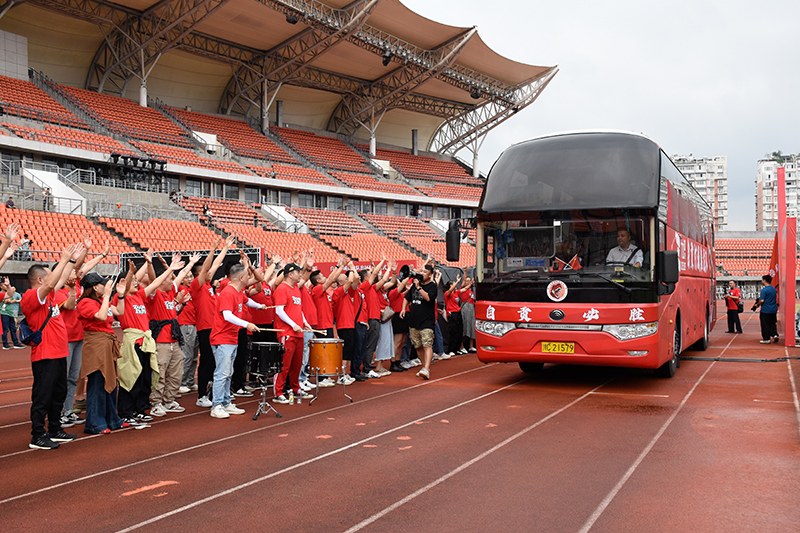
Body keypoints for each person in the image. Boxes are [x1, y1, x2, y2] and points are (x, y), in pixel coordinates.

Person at [22, 243, 83, 449]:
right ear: (40, 280)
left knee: (59, 393)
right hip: (44, 354)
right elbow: (50, 284)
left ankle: (55, 429)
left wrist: (72, 261)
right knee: (42, 395)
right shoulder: (32, 296)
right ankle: (37, 435)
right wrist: (64, 259)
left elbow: (60, 279)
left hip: (58, 352)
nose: (54, 280)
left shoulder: (48, 296)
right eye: (48, 276)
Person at [55, 236, 107, 428]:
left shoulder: (78, 286)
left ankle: (67, 411)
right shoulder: (60, 291)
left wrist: (95, 253)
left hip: (79, 338)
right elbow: (69, 306)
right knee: (62, 377)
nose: (75, 273)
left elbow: (81, 265)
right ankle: (58, 412)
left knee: (73, 377)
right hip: (65, 340)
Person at [77, 270, 131, 434]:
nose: (106, 286)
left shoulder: (101, 300)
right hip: (96, 344)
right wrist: (108, 296)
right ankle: (95, 423)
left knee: (110, 382)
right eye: (102, 284)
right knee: (98, 382)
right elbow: (100, 317)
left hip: (106, 342)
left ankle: (112, 419)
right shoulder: (85, 302)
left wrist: (120, 296)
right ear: (94, 287)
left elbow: (119, 312)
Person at [209, 262, 264, 418]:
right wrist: (247, 324)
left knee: (228, 372)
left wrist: (260, 306)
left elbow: (247, 301)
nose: (250, 278)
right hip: (223, 337)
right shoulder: (228, 293)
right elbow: (227, 315)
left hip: (231, 337)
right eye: (247, 276)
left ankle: (225, 402)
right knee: (222, 373)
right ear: (241, 277)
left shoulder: (239, 292)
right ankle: (217, 405)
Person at [144, 253, 196, 417]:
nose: (172, 282)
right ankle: (156, 402)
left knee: (175, 372)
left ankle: (169, 399)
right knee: (160, 372)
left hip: (174, 339)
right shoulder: (155, 294)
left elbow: (180, 276)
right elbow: (155, 280)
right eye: (168, 279)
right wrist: (158, 266)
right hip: (161, 341)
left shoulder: (170, 294)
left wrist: (191, 264)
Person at [191, 236, 233, 408]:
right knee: (207, 361)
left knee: (217, 362)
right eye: (206, 272)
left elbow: (214, 265)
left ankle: (213, 392)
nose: (211, 272)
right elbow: (209, 266)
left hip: (215, 328)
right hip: (205, 328)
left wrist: (225, 248)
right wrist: (213, 250)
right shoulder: (197, 286)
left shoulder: (209, 286)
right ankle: (202, 395)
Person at [272, 263, 313, 404]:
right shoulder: (282, 289)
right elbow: (279, 310)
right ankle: (278, 392)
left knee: (297, 364)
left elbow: (298, 309)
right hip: (287, 332)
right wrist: (293, 324)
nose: (300, 275)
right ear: (290, 274)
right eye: (298, 272)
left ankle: (295, 389)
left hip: (297, 332)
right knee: (284, 364)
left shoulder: (295, 288)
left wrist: (304, 322)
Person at [401, 263, 438, 380]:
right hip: (414, 321)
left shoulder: (432, 286)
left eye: (425, 272)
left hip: (427, 321)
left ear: (430, 275)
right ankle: (424, 367)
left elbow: (428, 298)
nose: (422, 274)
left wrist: (418, 287)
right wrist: (403, 309)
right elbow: (407, 298)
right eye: (421, 271)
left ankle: (426, 368)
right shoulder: (414, 285)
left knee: (427, 344)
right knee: (418, 346)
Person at [752, 275, 779, 344]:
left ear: (764, 280)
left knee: (765, 324)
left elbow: (762, 300)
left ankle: (766, 338)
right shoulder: (773, 289)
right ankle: (774, 334)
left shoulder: (764, 290)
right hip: (773, 309)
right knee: (772, 323)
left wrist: (757, 305)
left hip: (766, 309)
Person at [443, 275, 465, 356]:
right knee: (453, 331)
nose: (454, 285)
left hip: (458, 313)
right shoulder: (447, 293)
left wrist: (472, 284)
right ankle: (451, 349)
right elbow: (449, 290)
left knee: (459, 331)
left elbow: (464, 289)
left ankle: (457, 348)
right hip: (452, 314)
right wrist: (457, 282)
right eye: (453, 284)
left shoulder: (456, 293)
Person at [1, 279, 23, 349]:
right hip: (4, 313)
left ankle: (16, 343)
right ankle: (5, 344)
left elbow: (12, 299)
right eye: (4, 285)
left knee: (13, 328)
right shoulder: (1, 293)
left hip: (10, 313)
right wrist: (11, 301)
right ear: (1, 286)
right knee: (5, 329)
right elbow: (8, 301)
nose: (6, 286)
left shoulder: (8, 293)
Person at [460, 277, 476, 352]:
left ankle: (471, 346)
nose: (469, 282)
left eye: (469, 281)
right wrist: (465, 271)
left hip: (471, 309)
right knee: (464, 327)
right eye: (467, 281)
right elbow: (463, 283)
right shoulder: (462, 289)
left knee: (471, 327)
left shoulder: (471, 291)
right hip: (465, 309)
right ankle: (462, 346)